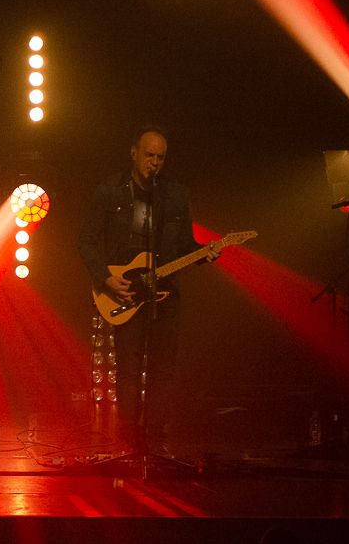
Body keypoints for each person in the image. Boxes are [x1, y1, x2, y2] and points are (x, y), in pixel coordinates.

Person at [76, 126, 217, 455]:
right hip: (124, 290)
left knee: (163, 369)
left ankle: (155, 439)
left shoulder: (176, 195)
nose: (155, 162)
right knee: (128, 368)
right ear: (134, 154)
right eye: (149, 155)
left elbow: (183, 246)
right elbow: (85, 241)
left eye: (161, 157)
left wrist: (203, 254)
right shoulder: (110, 191)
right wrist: (105, 278)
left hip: (166, 293)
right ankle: (129, 439)